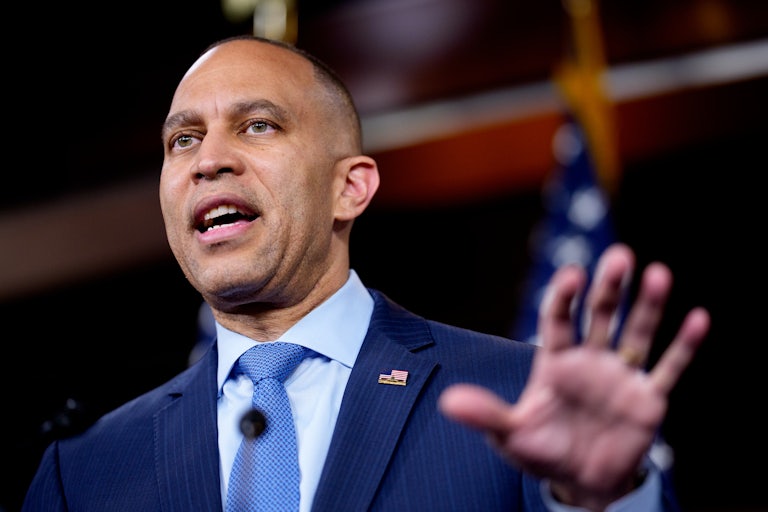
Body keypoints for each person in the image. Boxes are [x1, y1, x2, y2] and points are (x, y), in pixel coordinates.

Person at [22, 35, 710, 512]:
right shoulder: (82, 470)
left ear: (350, 188)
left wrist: (608, 500)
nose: (209, 161)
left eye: (258, 125)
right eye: (184, 139)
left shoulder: (518, 398)